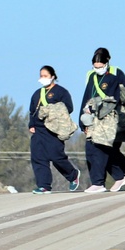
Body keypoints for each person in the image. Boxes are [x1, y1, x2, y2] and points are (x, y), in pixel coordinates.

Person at [79, 47, 125, 193]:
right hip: (93, 119)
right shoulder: (91, 76)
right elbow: (86, 98)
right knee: (94, 150)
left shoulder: (116, 74)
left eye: (101, 66)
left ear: (107, 62)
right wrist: (82, 121)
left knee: (105, 149)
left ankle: (101, 181)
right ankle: (122, 174)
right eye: (95, 67)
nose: (98, 69)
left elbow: (123, 96)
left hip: (111, 120)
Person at [28, 65, 80, 194]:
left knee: (56, 156)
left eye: (45, 76)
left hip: (54, 130)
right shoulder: (37, 94)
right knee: (38, 157)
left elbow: (68, 108)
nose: (42, 78)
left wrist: (51, 111)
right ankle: (44, 186)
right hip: (39, 130)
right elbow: (32, 111)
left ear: (52, 77)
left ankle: (73, 175)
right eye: (41, 76)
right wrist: (31, 125)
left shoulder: (61, 92)